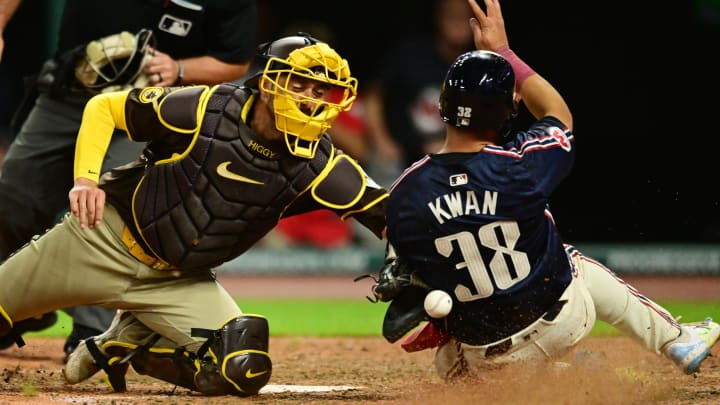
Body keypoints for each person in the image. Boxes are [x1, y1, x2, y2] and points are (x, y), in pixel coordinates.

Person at [0, 32, 388, 396]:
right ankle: (138, 332)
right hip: (99, 240)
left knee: (244, 366)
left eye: (320, 90)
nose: (310, 99)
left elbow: (389, 213)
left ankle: (126, 343)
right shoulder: (207, 108)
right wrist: (85, 180)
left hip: (177, 282)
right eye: (298, 84)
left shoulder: (322, 164)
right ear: (269, 83)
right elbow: (105, 108)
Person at [365, 0, 720, 380]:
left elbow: (405, 262)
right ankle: (674, 340)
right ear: (508, 110)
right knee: (572, 262)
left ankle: (551, 377)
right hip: (563, 321)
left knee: (450, 361)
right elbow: (558, 113)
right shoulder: (521, 164)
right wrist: (504, 52)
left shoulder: (406, 191)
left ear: (441, 105)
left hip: (487, 359)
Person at [0, 0, 258, 362]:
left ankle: (91, 332)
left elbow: (235, 60)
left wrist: (180, 67)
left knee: (108, 206)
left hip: (142, 110)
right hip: (66, 93)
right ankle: (20, 307)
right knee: (11, 196)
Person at [363, 0, 475, 187]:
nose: (457, 21)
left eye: (463, 16)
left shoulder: (478, 65)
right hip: (397, 154)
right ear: (439, 18)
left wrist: (451, 147)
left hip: (448, 157)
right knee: (383, 173)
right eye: (451, 15)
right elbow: (374, 96)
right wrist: (381, 140)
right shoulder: (411, 53)